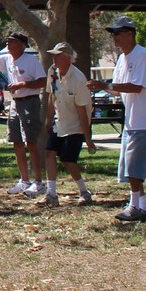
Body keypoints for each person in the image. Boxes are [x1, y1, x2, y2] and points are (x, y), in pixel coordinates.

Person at [87, 15, 146, 222]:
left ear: (130, 33)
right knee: (128, 165)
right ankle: (142, 207)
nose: (114, 37)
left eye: (117, 33)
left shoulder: (142, 55)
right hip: (132, 119)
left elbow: (137, 87)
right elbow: (118, 90)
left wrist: (105, 86)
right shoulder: (122, 58)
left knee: (134, 166)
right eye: (112, 33)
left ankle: (135, 206)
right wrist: (100, 88)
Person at [0, 24, 47, 196]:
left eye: (12, 41)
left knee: (31, 141)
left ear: (22, 45)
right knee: (16, 141)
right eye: (7, 40)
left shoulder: (30, 61)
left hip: (29, 102)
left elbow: (43, 81)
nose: (8, 43)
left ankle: (39, 182)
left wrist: (23, 84)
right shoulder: (6, 59)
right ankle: (24, 180)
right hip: (15, 103)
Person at [40, 41, 96, 207]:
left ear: (67, 58)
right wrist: (48, 120)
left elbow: (82, 111)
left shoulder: (79, 79)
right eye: (53, 56)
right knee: (49, 153)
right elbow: (52, 97)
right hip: (60, 122)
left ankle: (84, 192)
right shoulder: (52, 72)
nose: (54, 59)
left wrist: (88, 137)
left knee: (68, 159)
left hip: (76, 125)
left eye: (57, 56)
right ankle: (51, 194)